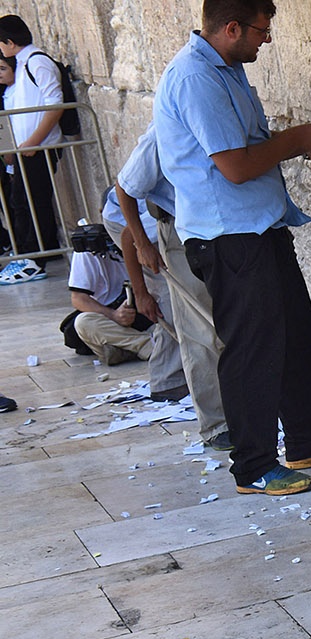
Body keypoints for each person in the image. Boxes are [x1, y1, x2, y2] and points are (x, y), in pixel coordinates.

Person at [153, 0, 311, 496]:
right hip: (227, 236)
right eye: (260, 32)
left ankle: (309, 438)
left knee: (294, 334)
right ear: (231, 28)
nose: (265, 41)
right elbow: (235, 164)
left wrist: (305, 144)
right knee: (252, 350)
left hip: (260, 224)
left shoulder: (224, 68)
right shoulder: (195, 78)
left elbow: (247, 140)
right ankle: (252, 465)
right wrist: (297, 138)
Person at [116, 123, 230, 446]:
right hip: (178, 232)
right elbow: (125, 189)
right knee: (198, 331)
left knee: (228, 325)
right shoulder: (162, 130)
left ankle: (244, 410)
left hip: (219, 230)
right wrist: (142, 247)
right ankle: (217, 424)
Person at [68, 201, 179, 378]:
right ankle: (149, 348)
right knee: (83, 323)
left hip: (145, 310)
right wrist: (112, 315)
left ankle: (125, 350)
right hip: (111, 315)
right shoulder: (90, 246)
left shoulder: (148, 234)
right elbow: (78, 298)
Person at [0, 15, 63, 281]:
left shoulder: (38, 62)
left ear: (10, 42)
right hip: (27, 149)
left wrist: (34, 141)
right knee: (23, 201)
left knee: (34, 201)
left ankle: (36, 259)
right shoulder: (25, 63)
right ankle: (33, 255)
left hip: (39, 147)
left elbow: (55, 103)